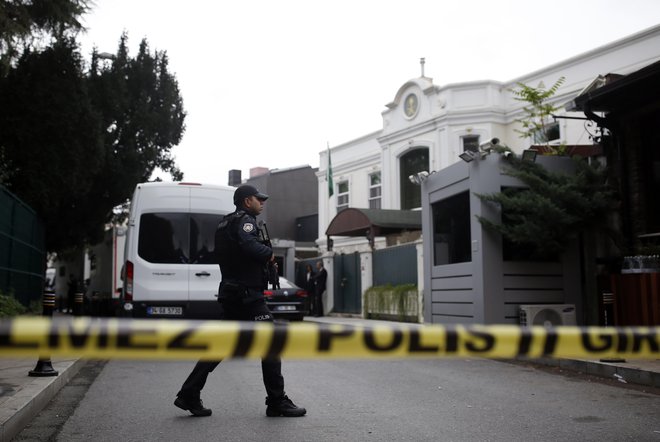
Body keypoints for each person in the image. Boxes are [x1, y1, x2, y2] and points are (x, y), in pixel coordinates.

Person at [174, 184, 306, 418]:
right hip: (247, 295)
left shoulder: (225, 223)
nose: (262, 203)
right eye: (259, 199)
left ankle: (188, 394)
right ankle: (276, 401)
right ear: (247, 201)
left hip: (232, 292)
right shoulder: (245, 222)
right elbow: (249, 245)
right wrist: (268, 254)